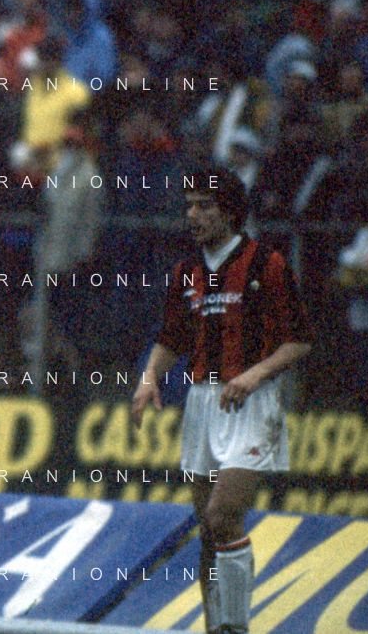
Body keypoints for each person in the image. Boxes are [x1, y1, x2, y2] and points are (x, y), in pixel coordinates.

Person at [131, 168, 312, 634]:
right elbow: (170, 337)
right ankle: (216, 626)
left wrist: (254, 374)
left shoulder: (267, 264)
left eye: (204, 205)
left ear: (230, 211)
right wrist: (149, 379)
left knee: (223, 515)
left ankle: (235, 627)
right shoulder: (186, 271)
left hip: (252, 404)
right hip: (202, 404)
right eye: (189, 205)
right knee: (209, 533)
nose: (193, 215)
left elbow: (298, 341)